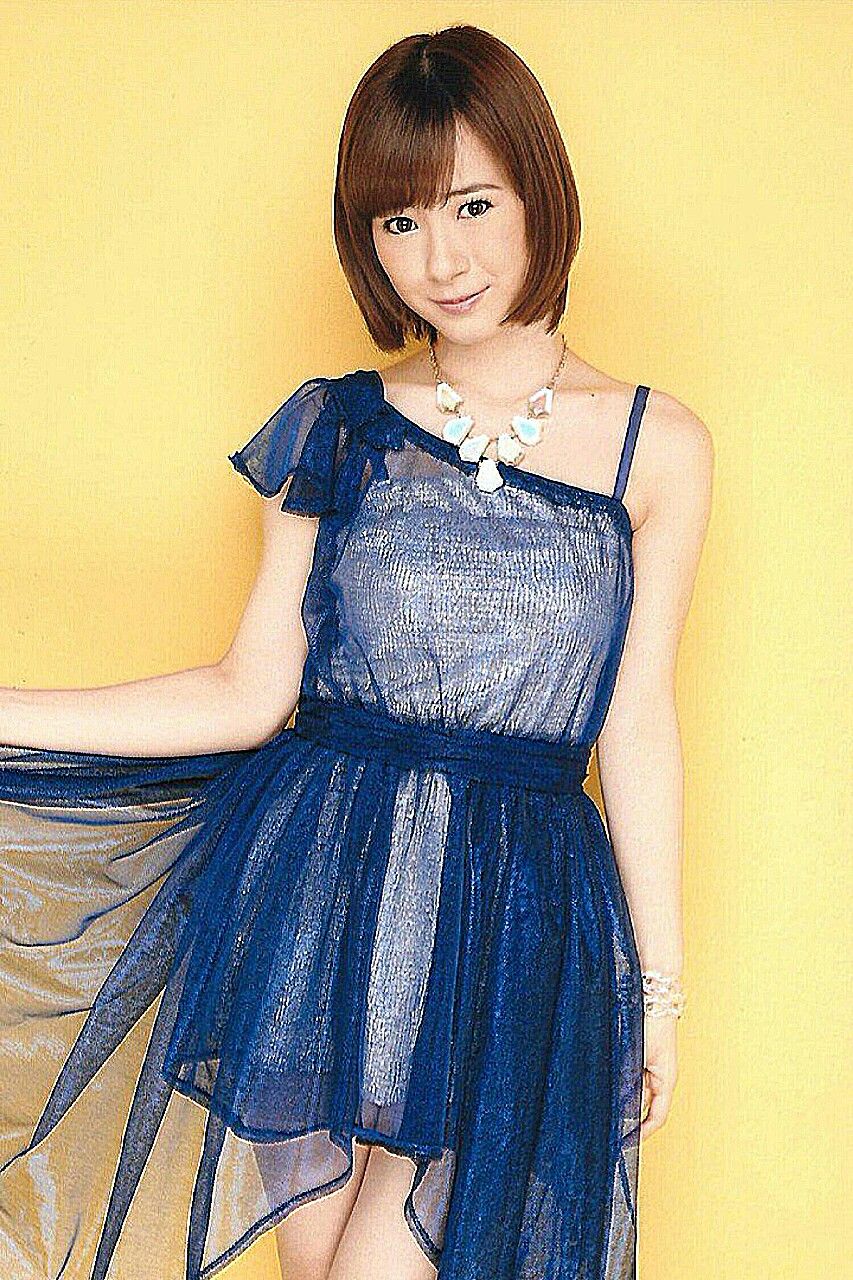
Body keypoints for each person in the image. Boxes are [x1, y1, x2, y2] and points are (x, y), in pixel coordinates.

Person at [0, 23, 713, 1280]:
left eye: (472, 204)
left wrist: (657, 988)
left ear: (538, 192)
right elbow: (246, 691)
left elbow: (636, 717)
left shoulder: (655, 447)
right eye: (399, 220)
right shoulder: (340, 427)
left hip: (510, 917)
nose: (441, 258)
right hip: (324, 896)